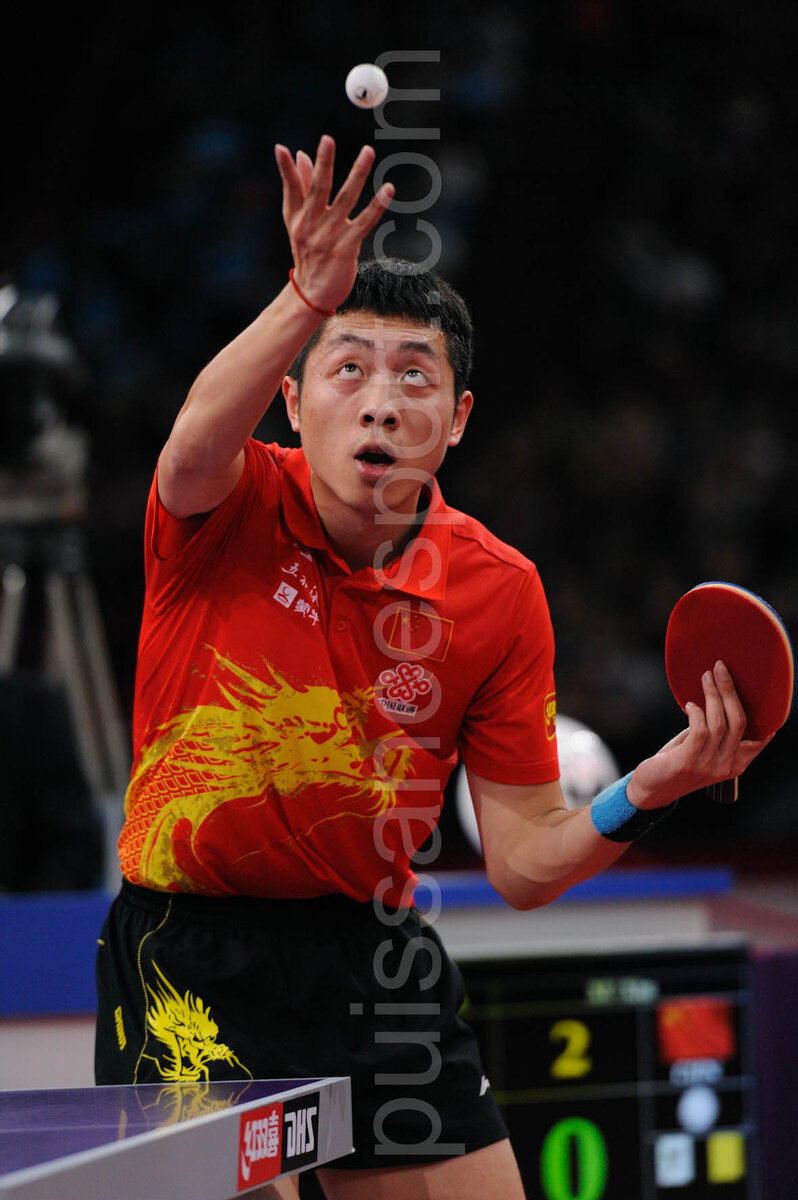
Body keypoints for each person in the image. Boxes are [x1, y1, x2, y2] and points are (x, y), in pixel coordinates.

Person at [94, 135, 773, 1200]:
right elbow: (187, 446)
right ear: (293, 401)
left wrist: (657, 783)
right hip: (189, 950)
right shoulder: (227, 504)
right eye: (347, 370)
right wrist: (304, 298)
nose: (379, 403)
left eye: (414, 377)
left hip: (372, 959)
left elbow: (524, 866)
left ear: (455, 422)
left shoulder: (497, 591)